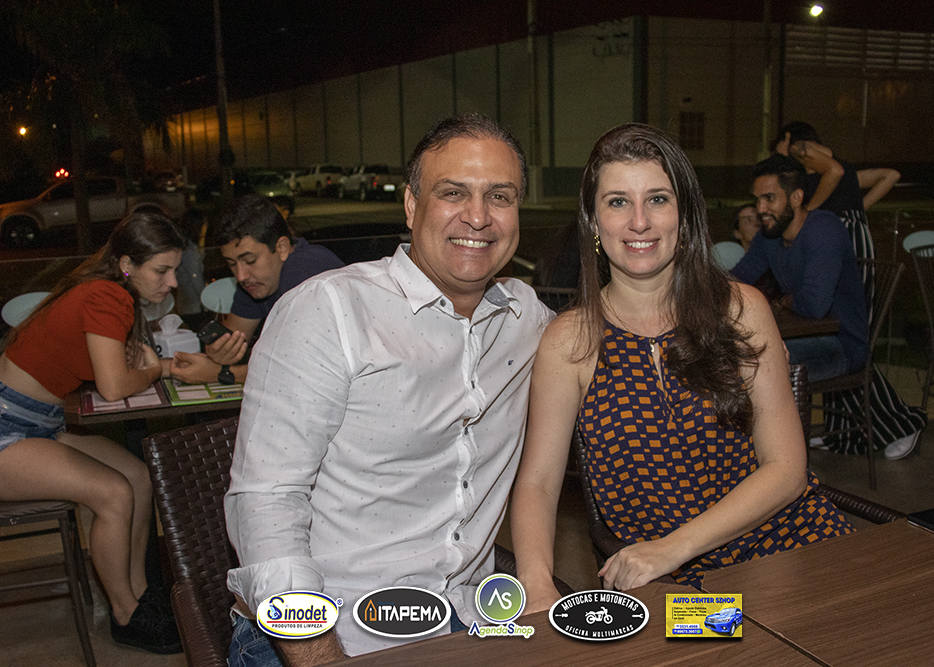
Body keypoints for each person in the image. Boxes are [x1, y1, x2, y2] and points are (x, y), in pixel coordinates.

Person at [225, 113, 553, 664]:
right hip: (329, 633)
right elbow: (266, 501)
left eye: (500, 196)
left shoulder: (527, 317)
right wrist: (320, 654)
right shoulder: (329, 310)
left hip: (468, 620)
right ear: (411, 205)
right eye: (453, 193)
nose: (478, 216)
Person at [510, 124, 853, 614]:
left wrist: (672, 547)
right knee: (730, 641)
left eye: (657, 199)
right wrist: (536, 584)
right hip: (675, 588)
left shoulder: (740, 310)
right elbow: (539, 483)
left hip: (791, 544)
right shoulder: (569, 342)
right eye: (618, 202)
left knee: (877, 636)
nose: (639, 222)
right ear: (593, 220)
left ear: (685, 213)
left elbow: (786, 469)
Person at [0, 212, 184, 654]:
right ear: (127, 265)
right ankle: (125, 614)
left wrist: (151, 367)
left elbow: (111, 371)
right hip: (8, 431)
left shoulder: (105, 290)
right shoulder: (108, 295)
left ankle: (140, 597)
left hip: (38, 422)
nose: (173, 282)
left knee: (137, 476)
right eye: (162, 270)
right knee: (113, 492)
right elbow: (114, 386)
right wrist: (154, 370)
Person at [776, 121, 924, 460]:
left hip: (837, 243)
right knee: (834, 339)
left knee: (847, 340)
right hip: (848, 237)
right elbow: (889, 175)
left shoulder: (801, 150)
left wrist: (811, 212)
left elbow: (836, 170)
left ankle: (901, 423)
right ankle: (841, 435)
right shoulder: (829, 169)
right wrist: (857, 212)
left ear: (788, 138)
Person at [170, 194, 344, 385]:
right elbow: (232, 339)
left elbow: (299, 369)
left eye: (250, 260)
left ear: (282, 248)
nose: (240, 276)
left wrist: (221, 373)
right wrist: (217, 352)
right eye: (232, 263)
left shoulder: (305, 270)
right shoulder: (256, 283)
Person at [732, 154, 869, 382]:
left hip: (842, 345)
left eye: (769, 198)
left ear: (796, 198)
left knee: (751, 366)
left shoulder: (823, 230)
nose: (760, 209)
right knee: (728, 357)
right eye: (757, 200)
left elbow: (814, 305)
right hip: (796, 336)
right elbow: (737, 279)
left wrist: (786, 301)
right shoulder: (770, 236)